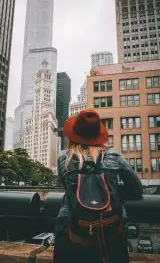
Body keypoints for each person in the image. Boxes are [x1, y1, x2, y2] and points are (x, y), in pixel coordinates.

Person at [53, 109, 143, 263]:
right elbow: (136, 189)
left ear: (74, 135)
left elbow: (67, 189)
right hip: (110, 235)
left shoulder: (64, 157)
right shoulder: (114, 156)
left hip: (73, 234)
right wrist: (111, 191)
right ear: (97, 135)